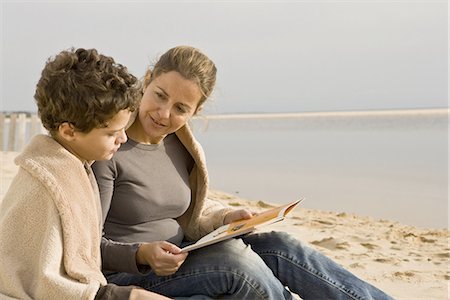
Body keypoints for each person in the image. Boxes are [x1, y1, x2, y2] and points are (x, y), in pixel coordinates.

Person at [92, 45, 394, 299]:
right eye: (159, 95)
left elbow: (187, 209)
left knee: (282, 247)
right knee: (235, 262)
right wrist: (142, 254)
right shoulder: (109, 147)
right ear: (147, 80)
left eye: (181, 108)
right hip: (132, 274)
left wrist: (225, 219)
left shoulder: (178, 144)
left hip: (184, 253)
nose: (164, 114)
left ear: (195, 111)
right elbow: (87, 244)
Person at [0, 48, 169, 300]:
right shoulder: (47, 186)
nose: (122, 138)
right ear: (69, 131)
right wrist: (124, 296)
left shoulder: (76, 166)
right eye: (112, 133)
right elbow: (42, 281)